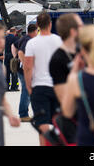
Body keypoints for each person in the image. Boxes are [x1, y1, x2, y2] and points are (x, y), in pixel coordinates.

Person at [24, 12, 62, 146]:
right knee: (59, 123)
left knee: (42, 124)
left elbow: (28, 67)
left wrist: (29, 86)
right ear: (50, 24)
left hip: (39, 86)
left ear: (38, 26)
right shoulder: (59, 41)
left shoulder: (32, 43)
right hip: (57, 87)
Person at [49, 14, 83, 104]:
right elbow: (63, 99)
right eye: (80, 26)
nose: (83, 29)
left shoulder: (83, 52)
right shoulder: (57, 59)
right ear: (72, 31)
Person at [13, 23, 38, 122]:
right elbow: (20, 52)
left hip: (21, 69)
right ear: (35, 31)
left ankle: (24, 113)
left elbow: (14, 46)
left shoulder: (24, 38)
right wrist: (24, 65)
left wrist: (15, 58)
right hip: (24, 70)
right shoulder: (28, 40)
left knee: (27, 90)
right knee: (26, 91)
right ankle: (23, 114)